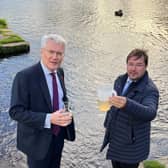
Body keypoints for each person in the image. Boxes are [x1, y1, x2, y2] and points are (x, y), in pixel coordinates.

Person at [9, 34, 75, 168]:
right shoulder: (24, 77)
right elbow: (15, 112)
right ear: (41, 52)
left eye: (59, 53)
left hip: (58, 137)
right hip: (37, 143)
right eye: (51, 52)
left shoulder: (60, 72)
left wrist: (67, 112)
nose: (55, 57)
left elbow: (62, 99)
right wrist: (49, 118)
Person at [100, 49, 159, 168]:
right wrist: (107, 124)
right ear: (126, 64)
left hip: (132, 148)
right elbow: (112, 106)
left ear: (146, 66)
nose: (133, 69)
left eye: (139, 65)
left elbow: (150, 113)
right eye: (131, 64)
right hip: (116, 141)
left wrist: (127, 104)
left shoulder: (150, 90)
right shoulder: (119, 80)